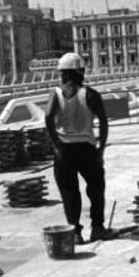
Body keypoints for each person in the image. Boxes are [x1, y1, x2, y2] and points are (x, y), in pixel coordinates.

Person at [44, 52, 114, 244]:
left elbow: (48, 117)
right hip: (87, 149)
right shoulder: (91, 94)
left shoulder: (56, 94)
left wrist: (55, 144)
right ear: (81, 72)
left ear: (63, 73)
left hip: (64, 150)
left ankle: (75, 232)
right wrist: (101, 149)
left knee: (69, 192)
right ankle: (97, 228)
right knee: (96, 189)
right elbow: (104, 122)